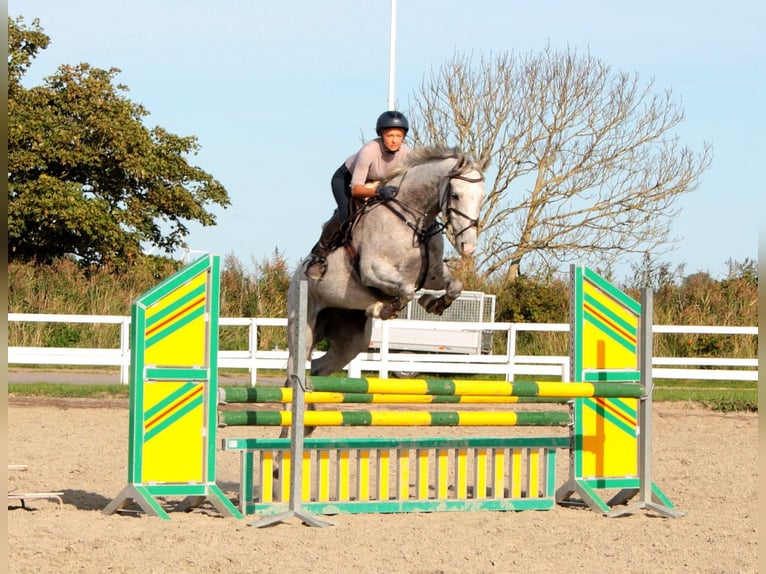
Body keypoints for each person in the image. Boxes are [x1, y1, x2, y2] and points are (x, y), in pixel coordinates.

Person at [305, 110, 412, 280]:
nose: (394, 140)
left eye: (398, 136)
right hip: (347, 180)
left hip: (378, 184)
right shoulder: (369, 151)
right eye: (390, 135)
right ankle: (319, 255)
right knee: (347, 213)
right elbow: (356, 189)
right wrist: (378, 191)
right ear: (381, 135)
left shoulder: (406, 153)